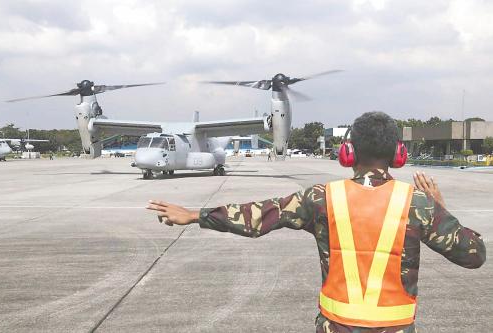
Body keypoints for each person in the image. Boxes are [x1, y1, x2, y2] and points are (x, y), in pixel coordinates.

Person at [147, 112, 486, 333]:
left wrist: (196, 215)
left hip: (335, 327)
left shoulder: (321, 198)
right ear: (399, 154)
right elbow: (474, 255)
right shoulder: (418, 203)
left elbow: (259, 216)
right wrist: (442, 209)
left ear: (347, 152)